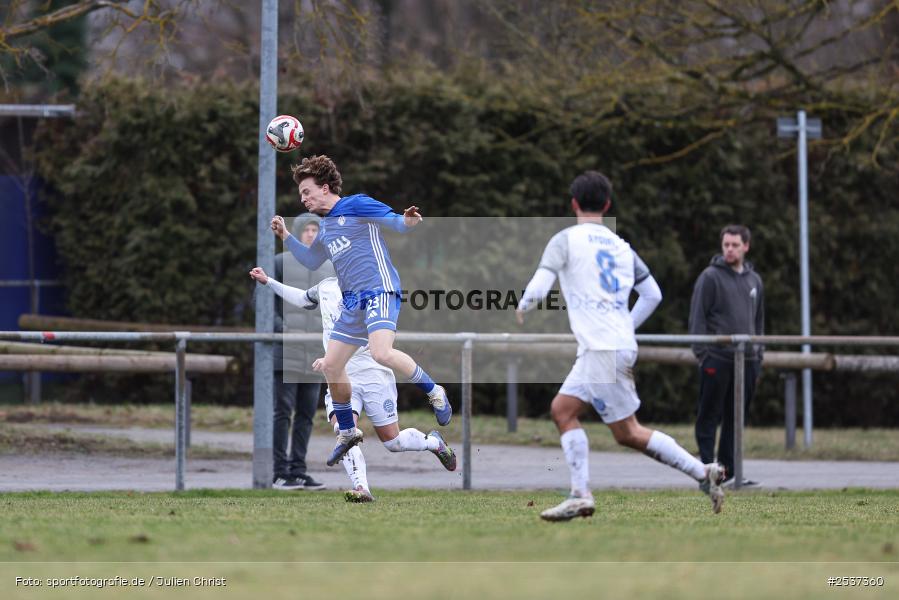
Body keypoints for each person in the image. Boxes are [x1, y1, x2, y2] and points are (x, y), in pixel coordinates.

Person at [517, 170, 727, 522]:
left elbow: (542, 281)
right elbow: (652, 293)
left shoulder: (566, 239)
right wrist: (623, 327)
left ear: (573, 204)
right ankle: (702, 473)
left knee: (606, 425)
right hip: (615, 345)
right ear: (607, 204)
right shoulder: (621, 247)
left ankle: (581, 494)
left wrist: (524, 304)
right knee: (589, 419)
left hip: (601, 349)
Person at [270, 155, 452, 467]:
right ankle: (348, 433)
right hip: (352, 302)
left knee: (382, 353)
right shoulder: (326, 229)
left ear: (325, 188)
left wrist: (407, 221)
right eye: (301, 194)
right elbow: (312, 261)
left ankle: (434, 391)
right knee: (331, 365)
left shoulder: (356, 204)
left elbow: (395, 221)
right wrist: (286, 236)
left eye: (306, 192)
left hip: (379, 291)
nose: (302, 198)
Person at [249, 268, 457, 502]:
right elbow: (301, 298)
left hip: (373, 374)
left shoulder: (369, 289)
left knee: (393, 442)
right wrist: (270, 282)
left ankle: (433, 443)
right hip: (341, 374)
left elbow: (368, 334)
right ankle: (362, 488)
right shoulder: (325, 286)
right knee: (344, 432)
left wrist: (331, 358)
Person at [688, 224, 764, 488]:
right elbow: (697, 317)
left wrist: (759, 355)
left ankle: (730, 474)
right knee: (708, 416)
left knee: (736, 419)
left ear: (746, 246)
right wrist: (702, 355)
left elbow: (759, 321)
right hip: (717, 359)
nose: (730, 250)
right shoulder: (710, 277)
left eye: (735, 245)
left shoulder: (755, 281)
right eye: (726, 245)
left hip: (747, 361)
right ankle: (707, 472)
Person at [267, 214, 334, 491]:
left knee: (307, 415)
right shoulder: (280, 262)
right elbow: (263, 303)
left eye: (315, 229)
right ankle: (279, 473)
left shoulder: (330, 266)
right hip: (286, 352)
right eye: (305, 229)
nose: (310, 234)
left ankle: (299, 470)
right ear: (296, 232)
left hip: (317, 355)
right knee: (283, 412)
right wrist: (284, 331)